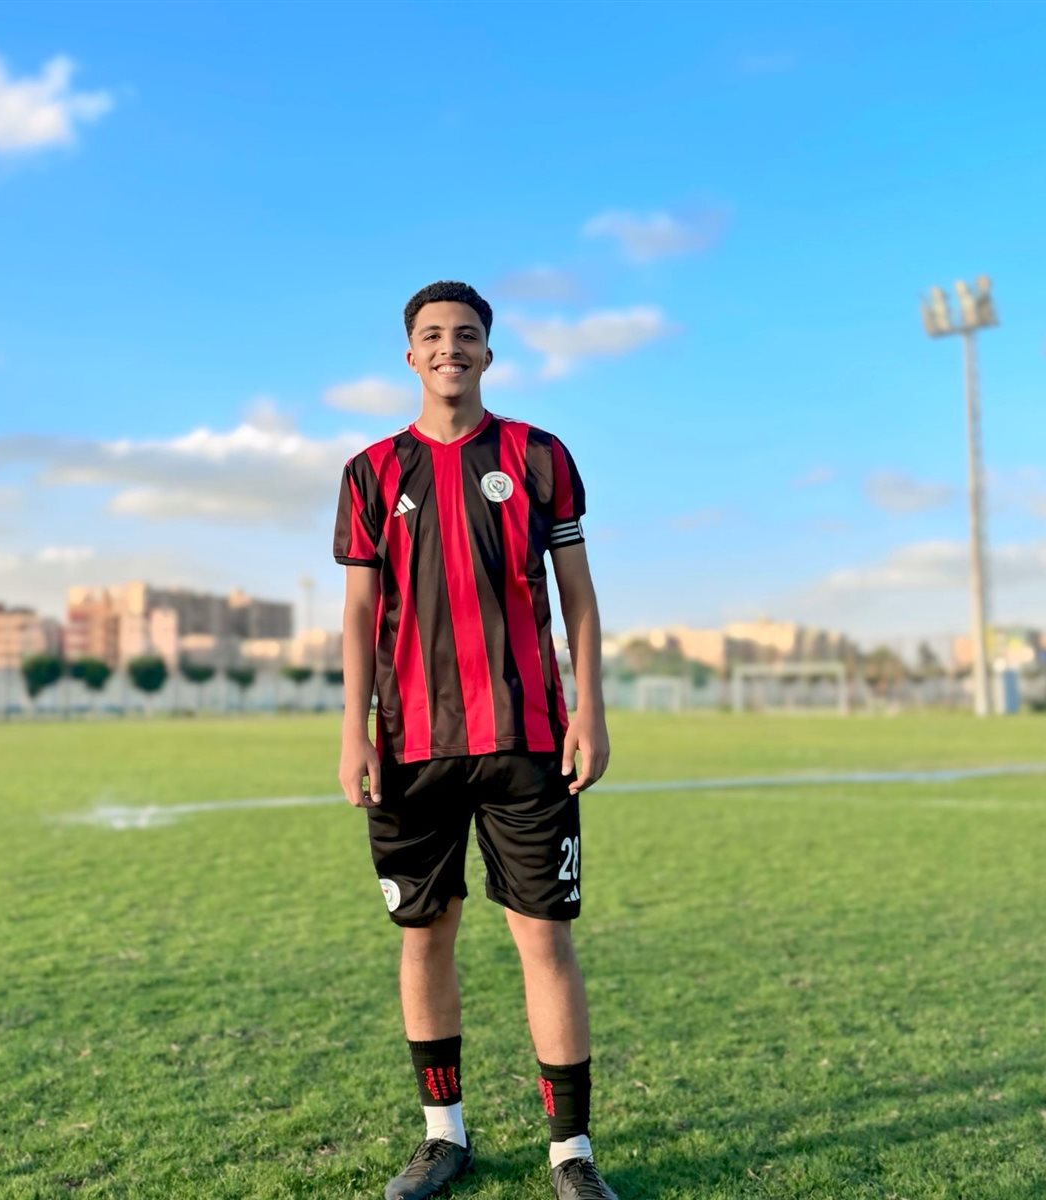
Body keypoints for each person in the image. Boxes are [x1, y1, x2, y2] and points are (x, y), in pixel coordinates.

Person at [334, 280, 615, 1200]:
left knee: (545, 939)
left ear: (488, 352)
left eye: (465, 334)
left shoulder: (539, 456)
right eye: (431, 335)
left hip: (528, 740)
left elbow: (578, 597)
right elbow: (360, 614)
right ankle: (442, 1137)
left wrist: (590, 709)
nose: (448, 346)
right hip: (409, 744)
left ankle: (571, 1153)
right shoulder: (371, 473)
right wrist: (353, 731)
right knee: (425, 938)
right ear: (409, 355)